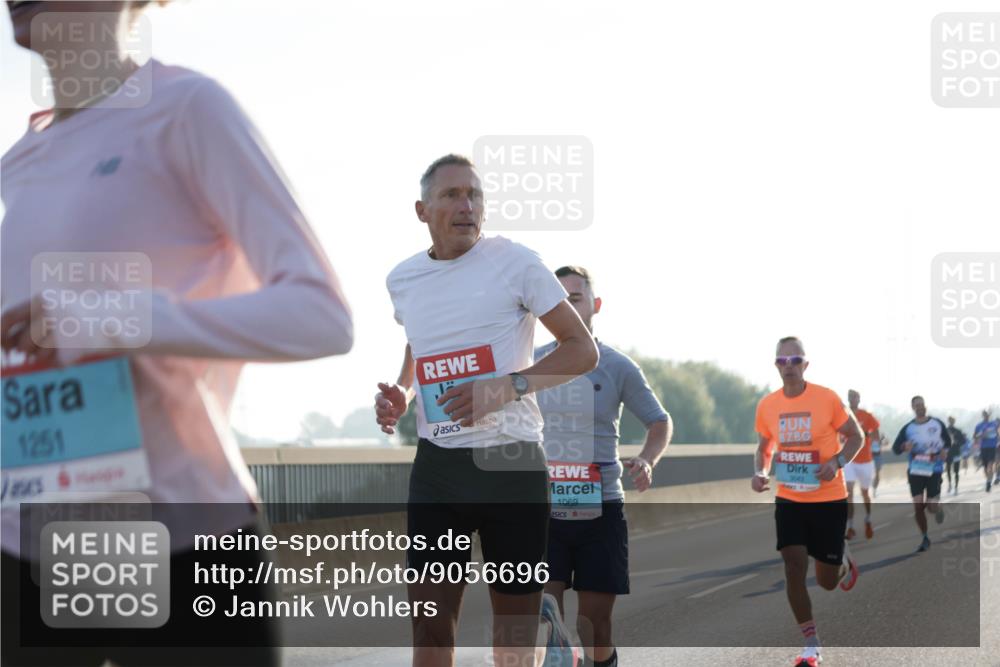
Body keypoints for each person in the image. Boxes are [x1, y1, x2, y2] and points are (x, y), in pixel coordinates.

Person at [1, 2, 353, 666]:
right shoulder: (19, 160)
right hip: (31, 539)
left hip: (184, 539)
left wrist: (112, 316)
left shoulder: (191, 108)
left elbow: (321, 316)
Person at [374, 154, 598, 667]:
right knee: (431, 636)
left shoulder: (516, 262)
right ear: (421, 209)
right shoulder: (402, 280)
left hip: (510, 467)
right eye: (451, 195)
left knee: (512, 646)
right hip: (438, 469)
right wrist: (404, 395)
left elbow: (581, 350)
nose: (466, 205)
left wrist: (504, 388)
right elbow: (419, 346)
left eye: (474, 195)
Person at [534, 266, 672, 667]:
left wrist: (647, 459)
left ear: (594, 306)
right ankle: (558, 654)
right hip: (544, 510)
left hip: (601, 508)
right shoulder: (529, 364)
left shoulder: (617, 366)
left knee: (594, 625)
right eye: (557, 300)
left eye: (574, 298)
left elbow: (659, 421)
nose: (567, 307)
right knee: (546, 612)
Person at [752, 337, 863, 667]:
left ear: (806, 364)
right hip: (789, 496)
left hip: (828, 497)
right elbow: (764, 447)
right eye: (782, 361)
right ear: (775, 365)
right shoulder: (768, 405)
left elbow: (856, 436)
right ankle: (810, 643)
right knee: (793, 564)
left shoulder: (826, 398)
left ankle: (842, 559)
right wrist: (760, 471)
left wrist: (837, 463)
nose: (788, 367)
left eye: (795, 360)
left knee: (828, 581)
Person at [892, 397, 951, 551]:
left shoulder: (937, 423)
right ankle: (925, 537)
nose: (920, 407)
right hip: (916, 468)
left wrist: (945, 451)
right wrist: (904, 446)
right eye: (916, 405)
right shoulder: (908, 428)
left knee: (931, 506)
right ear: (912, 407)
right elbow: (895, 448)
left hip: (934, 467)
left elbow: (948, 441)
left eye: (922, 404)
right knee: (918, 505)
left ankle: (937, 509)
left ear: (925, 406)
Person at [843, 390, 880, 540]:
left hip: (865, 460)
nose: (852, 399)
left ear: (859, 399)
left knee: (865, 493)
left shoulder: (867, 416)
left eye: (855, 397)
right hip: (849, 460)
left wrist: (865, 434)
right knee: (848, 493)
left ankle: (868, 519)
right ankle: (850, 526)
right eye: (850, 397)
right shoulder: (843, 415)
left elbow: (876, 435)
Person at [972, 409, 999, 492]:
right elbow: (974, 437)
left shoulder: (994, 424)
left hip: (992, 447)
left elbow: (998, 434)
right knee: (985, 467)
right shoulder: (979, 425)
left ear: (989, 415)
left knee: (990, 465)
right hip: (983, 448)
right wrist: (980, 436)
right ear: (982, 415)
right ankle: (988, 480)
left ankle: (988, 483)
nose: (986, 416)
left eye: (987, 414)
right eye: (984, 415)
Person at [945, 416, 968, 494]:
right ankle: (950, 484)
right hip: (948, 453)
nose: (951, 422)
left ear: (954, 421)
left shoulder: (958, 431)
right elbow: (942, 440)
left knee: (956, 471)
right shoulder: (945, 430)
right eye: (950, 420)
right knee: (948, 469)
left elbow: (964, 441)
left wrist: (957, 442)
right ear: (948, 421)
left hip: (956, 452)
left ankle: (956, 487)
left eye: (952, 420)